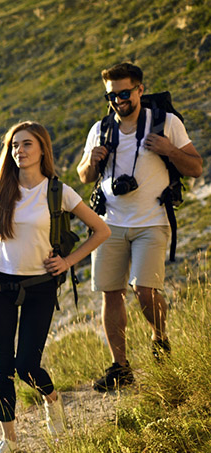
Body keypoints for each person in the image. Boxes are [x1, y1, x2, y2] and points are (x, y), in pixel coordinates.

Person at [0, 122, 110, 453]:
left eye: (27, 145)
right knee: (1, 367)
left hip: (39, 286)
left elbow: (101, 229)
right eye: (14, 146)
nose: (19, 151)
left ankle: (52, 400)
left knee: (26, 366)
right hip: (1, 285)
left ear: (42, 150)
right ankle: (9, 440)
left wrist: (67, 261)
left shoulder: (58, 191)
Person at [77, 62, 203, 391]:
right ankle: (120, 367)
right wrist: (92, 161)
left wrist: (170, 150)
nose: (119, 99)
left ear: (139, 90)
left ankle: (159, 336)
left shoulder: (165, 123)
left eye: (124, 92)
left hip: (152, 220)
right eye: (112, 94)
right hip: (108, 224)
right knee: (111, 293)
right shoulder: (100, 129)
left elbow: (196, 168)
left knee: (144, 289)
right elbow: (83, 176)